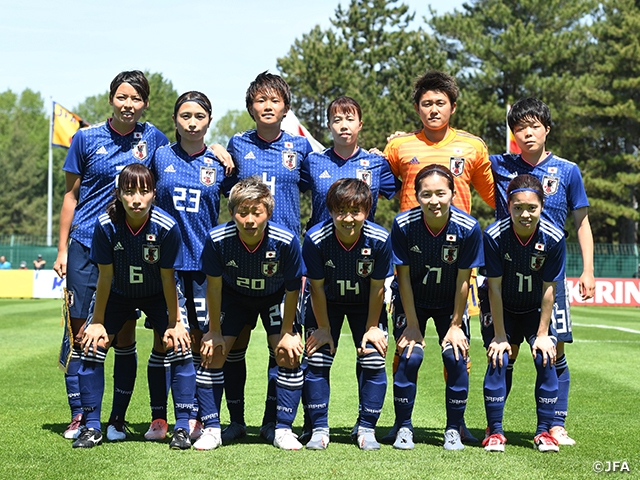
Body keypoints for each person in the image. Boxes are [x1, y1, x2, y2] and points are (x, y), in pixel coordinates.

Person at [53, 70, 170, 441]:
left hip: (131, 249)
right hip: (87, 244)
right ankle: (80, 416)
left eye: (135, 98)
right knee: (82, 334)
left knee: (124, 334)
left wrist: (216, 148)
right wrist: (62, 249)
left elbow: (182, 157)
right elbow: (70, 196)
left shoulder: (153, 138)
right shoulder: (85, 138)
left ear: (145, 103)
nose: (128, 104)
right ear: (111, 99)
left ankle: (117, 419)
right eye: (122, 97)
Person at [485, 97, 594, 445]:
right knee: (506, 351)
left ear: (547, 129)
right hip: (507, 271)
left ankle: (555, 424)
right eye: (520, 127)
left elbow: (582, 222)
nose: (527, 133)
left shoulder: (568, 170)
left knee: (554, 350)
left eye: (534, 126)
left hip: (550, 276)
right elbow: (459, 159)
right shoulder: (499, 164)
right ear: (513, 133)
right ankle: (494, 426)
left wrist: (588, 270)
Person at [72, 163, 196, 450]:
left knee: (179, 345)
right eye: (129, 192)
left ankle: (181, 427)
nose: (136, 199)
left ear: (154, 194)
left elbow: (168, 278)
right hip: (118, 294)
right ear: (119, 194)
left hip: (158, 294)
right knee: (93, 345)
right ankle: (91, 427)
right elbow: (105, 276)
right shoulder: (105, 225)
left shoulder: (166, 226)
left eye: (144, 191)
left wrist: (176, 323)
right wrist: (97, 322)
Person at [221, 71, 313, 444]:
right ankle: (235, 421)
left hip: (284, 264)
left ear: (285, 107)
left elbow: (325, 181)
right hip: (241, 261)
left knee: (284, 347)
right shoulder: (237, 144)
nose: (268, 106)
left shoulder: (300, 148)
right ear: (251, 107)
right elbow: (222, 186)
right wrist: (215, 151)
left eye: (275, 100)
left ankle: (274, 422)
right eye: (261, 100)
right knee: (234, 346)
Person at [149, 91, 237, 442]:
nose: (192, 122)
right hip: (165, 265)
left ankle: (197, 416)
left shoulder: (219, 162)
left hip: (204, 266)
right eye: (185, 116)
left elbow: (244, 200)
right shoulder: (160, 156)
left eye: (199, 116)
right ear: (175, 119)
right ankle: (159, 418)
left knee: (201, 341)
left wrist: (220, 150)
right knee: (164, 340)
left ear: (209, 121)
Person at [197, 176, 304, 451]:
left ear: (268, 212)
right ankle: (215, 428)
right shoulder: (217, 239)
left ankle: (280, 427)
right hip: (234, 297)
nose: (249, 220)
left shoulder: (285, 240)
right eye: (242, 212)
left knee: (287, 353)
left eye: (257, 212)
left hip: (274, 297)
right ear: (232, 212)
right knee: (213, 351)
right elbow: (214, 287)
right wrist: (214, 331)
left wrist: (288, 332)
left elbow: (293, 288)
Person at [385, 164, 483, 450]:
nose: (434, 200)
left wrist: (455, 325)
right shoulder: (403, 224)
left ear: (453, 193)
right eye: (426, 194)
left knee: (456, 356)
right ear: (417, 196)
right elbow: (403, 278)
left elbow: (464, 280)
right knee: (410, 355)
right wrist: (412, 325)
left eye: (441, 193)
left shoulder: (468, 228)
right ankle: (403, 426)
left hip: (449, 303)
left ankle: (454, 428)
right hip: (412, 300)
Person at [301, 178, 392, 451]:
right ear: (330, 210)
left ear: (367, 210)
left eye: (355, 211)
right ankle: (319, 428)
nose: (348, 218)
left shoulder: (379, 239)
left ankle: (366, 427)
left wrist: (372, 327)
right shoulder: (316, 238)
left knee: (373, 358)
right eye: (341, 211)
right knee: (317, 357)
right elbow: (316, 288)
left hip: (365, 305)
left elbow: (377, 288)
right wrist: (323, 328)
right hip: (326, 303)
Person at [482, 174, 564, 453]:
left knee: (545, 356)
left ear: (542, 206)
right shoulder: (494, 235)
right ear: (508, 206)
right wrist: (500, 335)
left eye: (532, 208)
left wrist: (542, 334)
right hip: (501, 306)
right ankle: (494, 431)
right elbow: (493, 288)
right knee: (500, 357)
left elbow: (550, 289)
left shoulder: (554, 238)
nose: (525, 214)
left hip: (534, 308)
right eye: (518, 208)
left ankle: (544, 432)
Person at [383, 70, 495, 214]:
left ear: (453, 107)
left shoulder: (474, 146)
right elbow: (377, 186)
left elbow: (492, 196)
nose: (434, 110)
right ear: (417, 108)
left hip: (457, 228)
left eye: (440, 103)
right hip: (411, 227)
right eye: (427, 104)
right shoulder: (398, 145)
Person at [300, 96, 398, 228]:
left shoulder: (376, 163)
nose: (344, 126)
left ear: (360, 125)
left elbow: (407, 194)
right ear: (329, 126)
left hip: (362, 240)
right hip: (321, 239)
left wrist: (404, 142)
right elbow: (287, 187)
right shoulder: (313, 162)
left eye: (350, 119)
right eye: (337, 120)